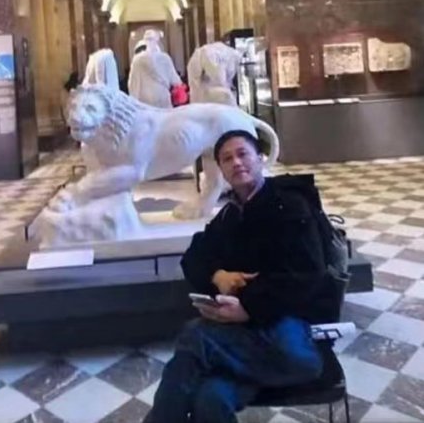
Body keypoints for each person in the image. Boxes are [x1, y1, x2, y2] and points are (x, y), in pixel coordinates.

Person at [143, 129, 339, 423]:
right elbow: (194, 256)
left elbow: (306, 275)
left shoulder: (290, 206)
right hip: (246, 341)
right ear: (221, 170)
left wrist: (248, 307)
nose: (236, 163)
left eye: (242, 154)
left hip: (290, 329)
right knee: (211, 399)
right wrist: (218, 275)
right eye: (226, 159)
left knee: (196, 335)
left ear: (260, 158)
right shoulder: (230, 214)